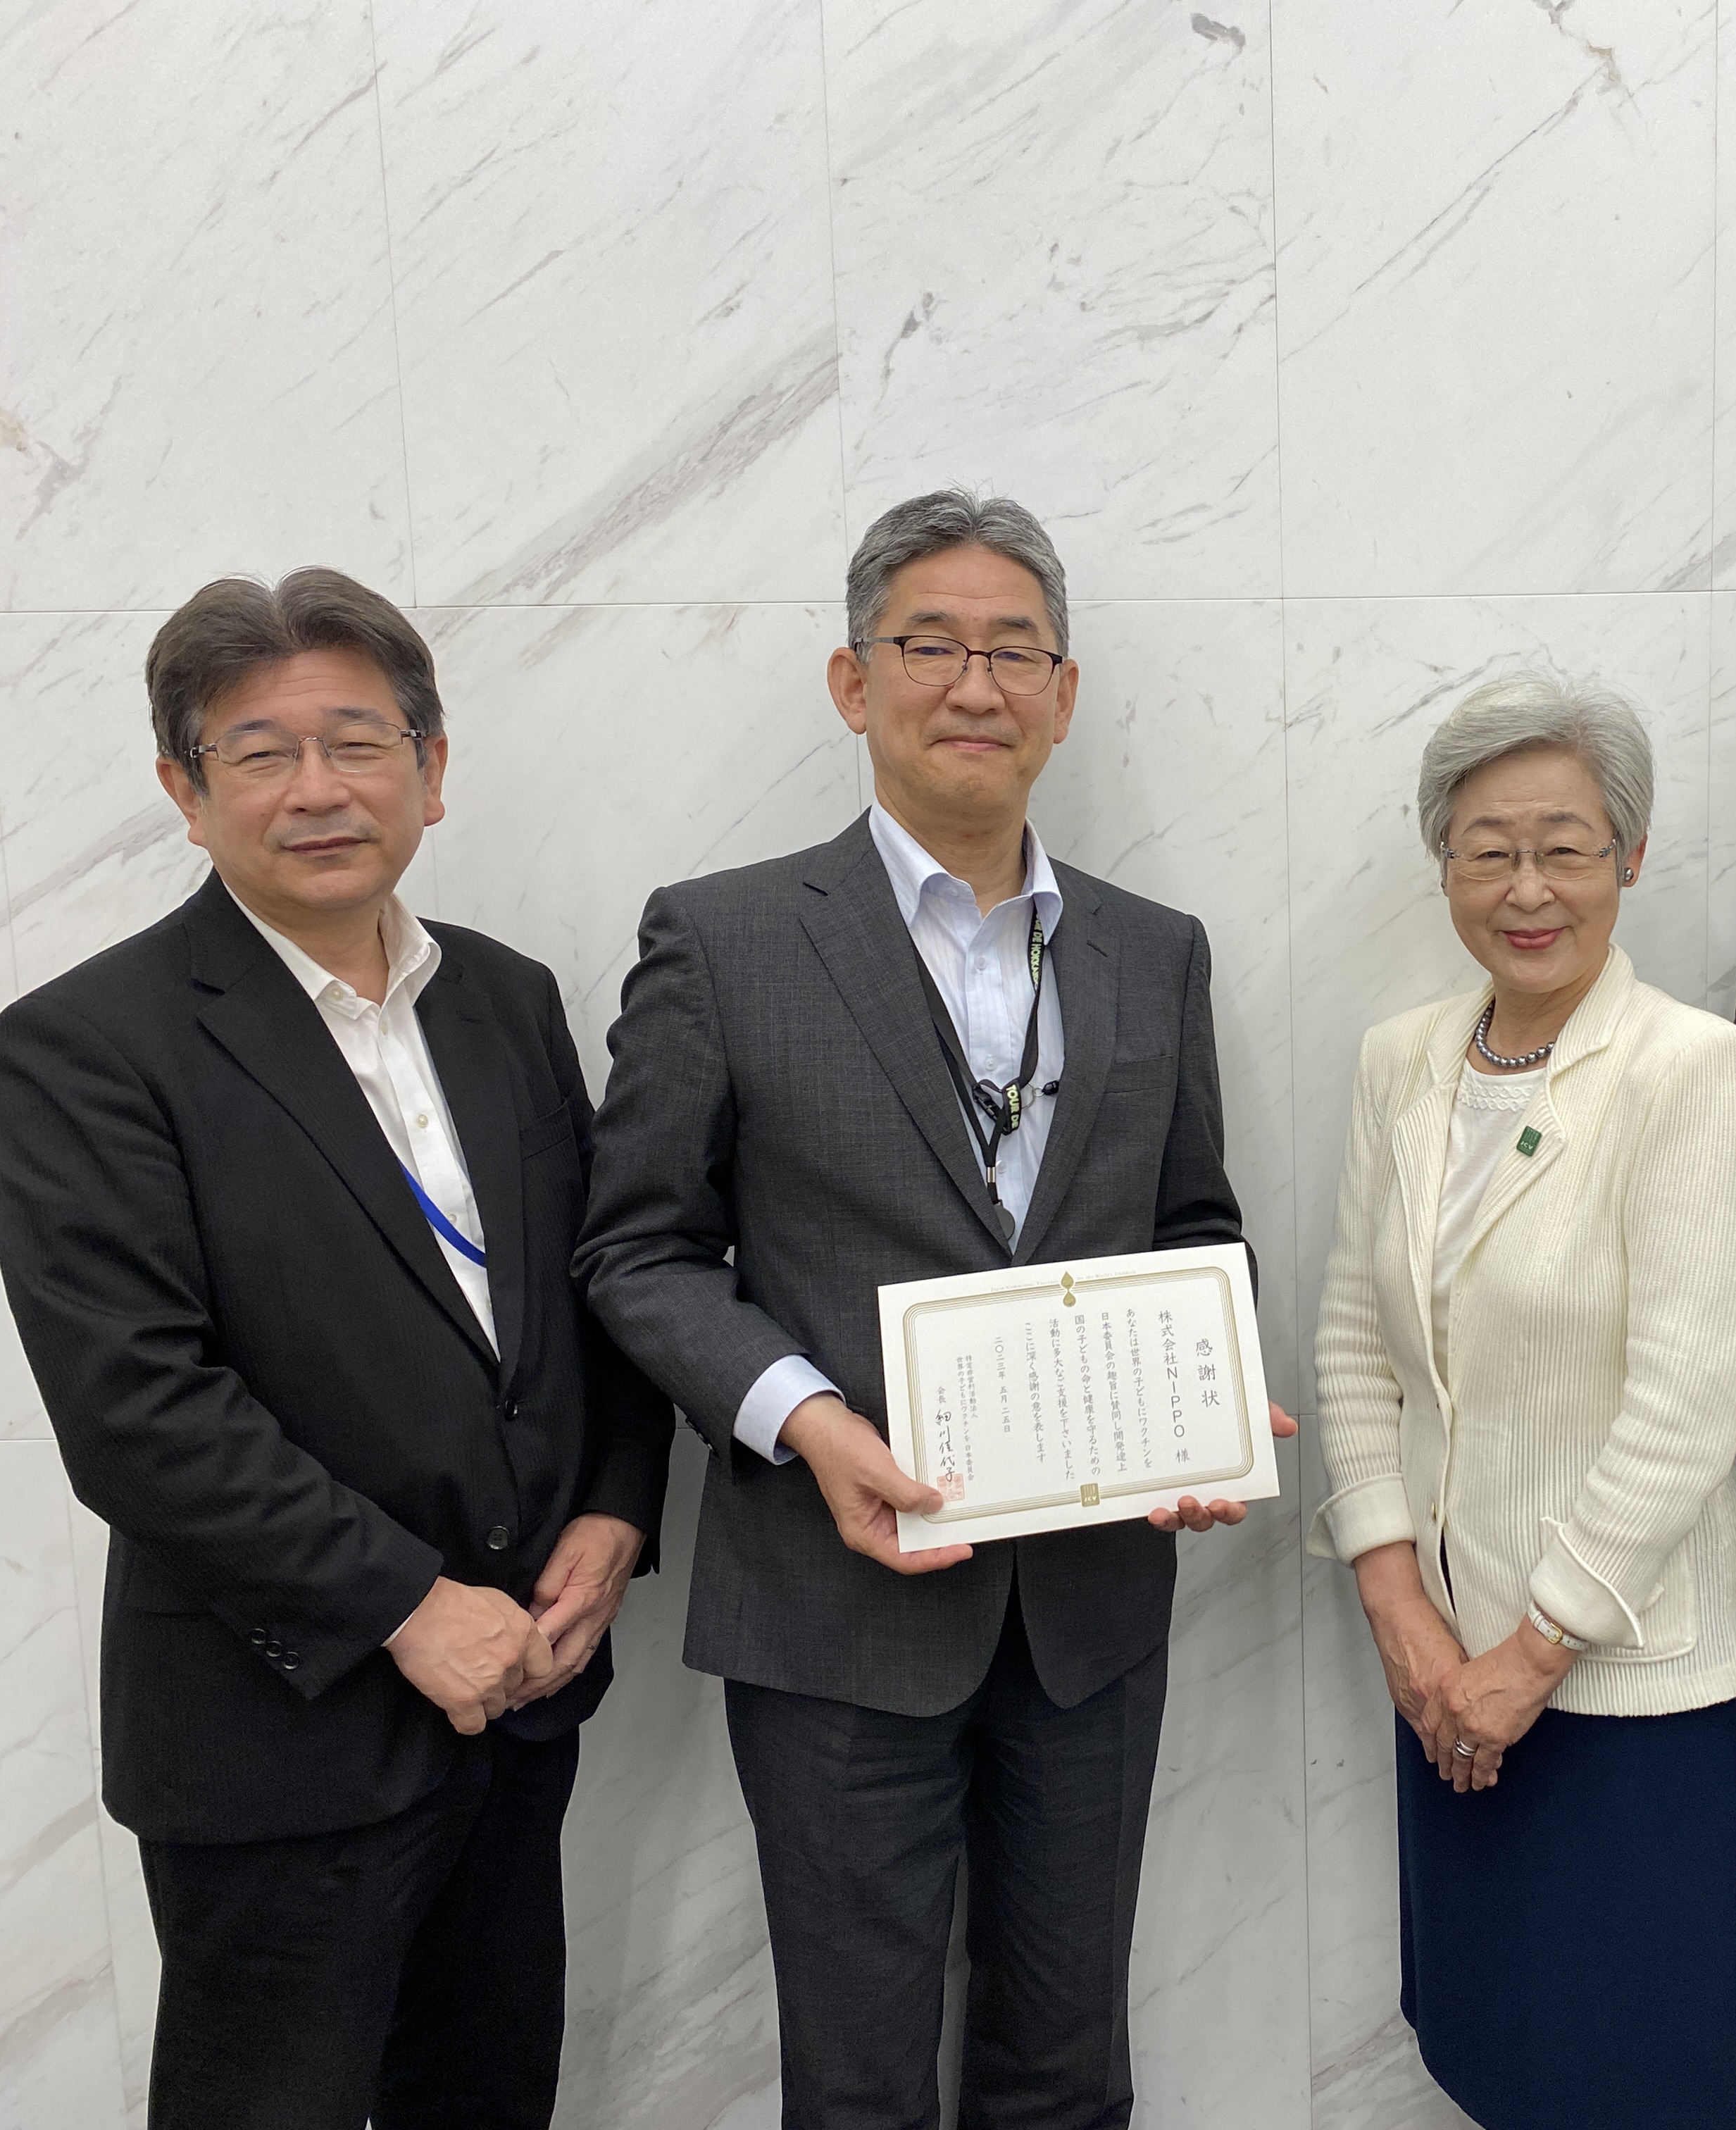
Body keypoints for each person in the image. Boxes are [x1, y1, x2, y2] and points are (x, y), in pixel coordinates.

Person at [573, 490, 1285, 2130]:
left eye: (1014, 651)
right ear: (853, 681)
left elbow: (1193, 1224)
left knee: (1069, 2071)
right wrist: (806, 1419)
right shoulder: (725, 936)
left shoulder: (1153, 952)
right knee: (859, 2085)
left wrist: (1200, 1405)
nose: (975, 684)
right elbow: (638, 1251)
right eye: (931, 646)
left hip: (1091, 1610)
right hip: (833, 1602)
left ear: (1064, 693)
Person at [0, 570, 672, 2130]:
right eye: (261, 751)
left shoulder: (504, 998)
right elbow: (134, 1408)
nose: (318, 789)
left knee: (488, 2100)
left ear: (431, 767)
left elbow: (596, 1288)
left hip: (520, 1701)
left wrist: (617, 1509)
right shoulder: (87, 1044)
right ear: (186, 791)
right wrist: (408, 1606)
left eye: (358, 743)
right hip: (277, 1735)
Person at [1311, 675, 1736, 2130]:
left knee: (1635, 2065)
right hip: (1442, 1668)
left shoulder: (1692, 1070)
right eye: (1487, 849)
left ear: (1629, 856)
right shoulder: (1402, 1060)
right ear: (1442, 863)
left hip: (1615, 1676)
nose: (1527, 889)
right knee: (1499, 2047)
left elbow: (1687, 1407)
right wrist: (1397, 1600)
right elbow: (1355, 1338)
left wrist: (1533, 1651)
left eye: (1565, 848)